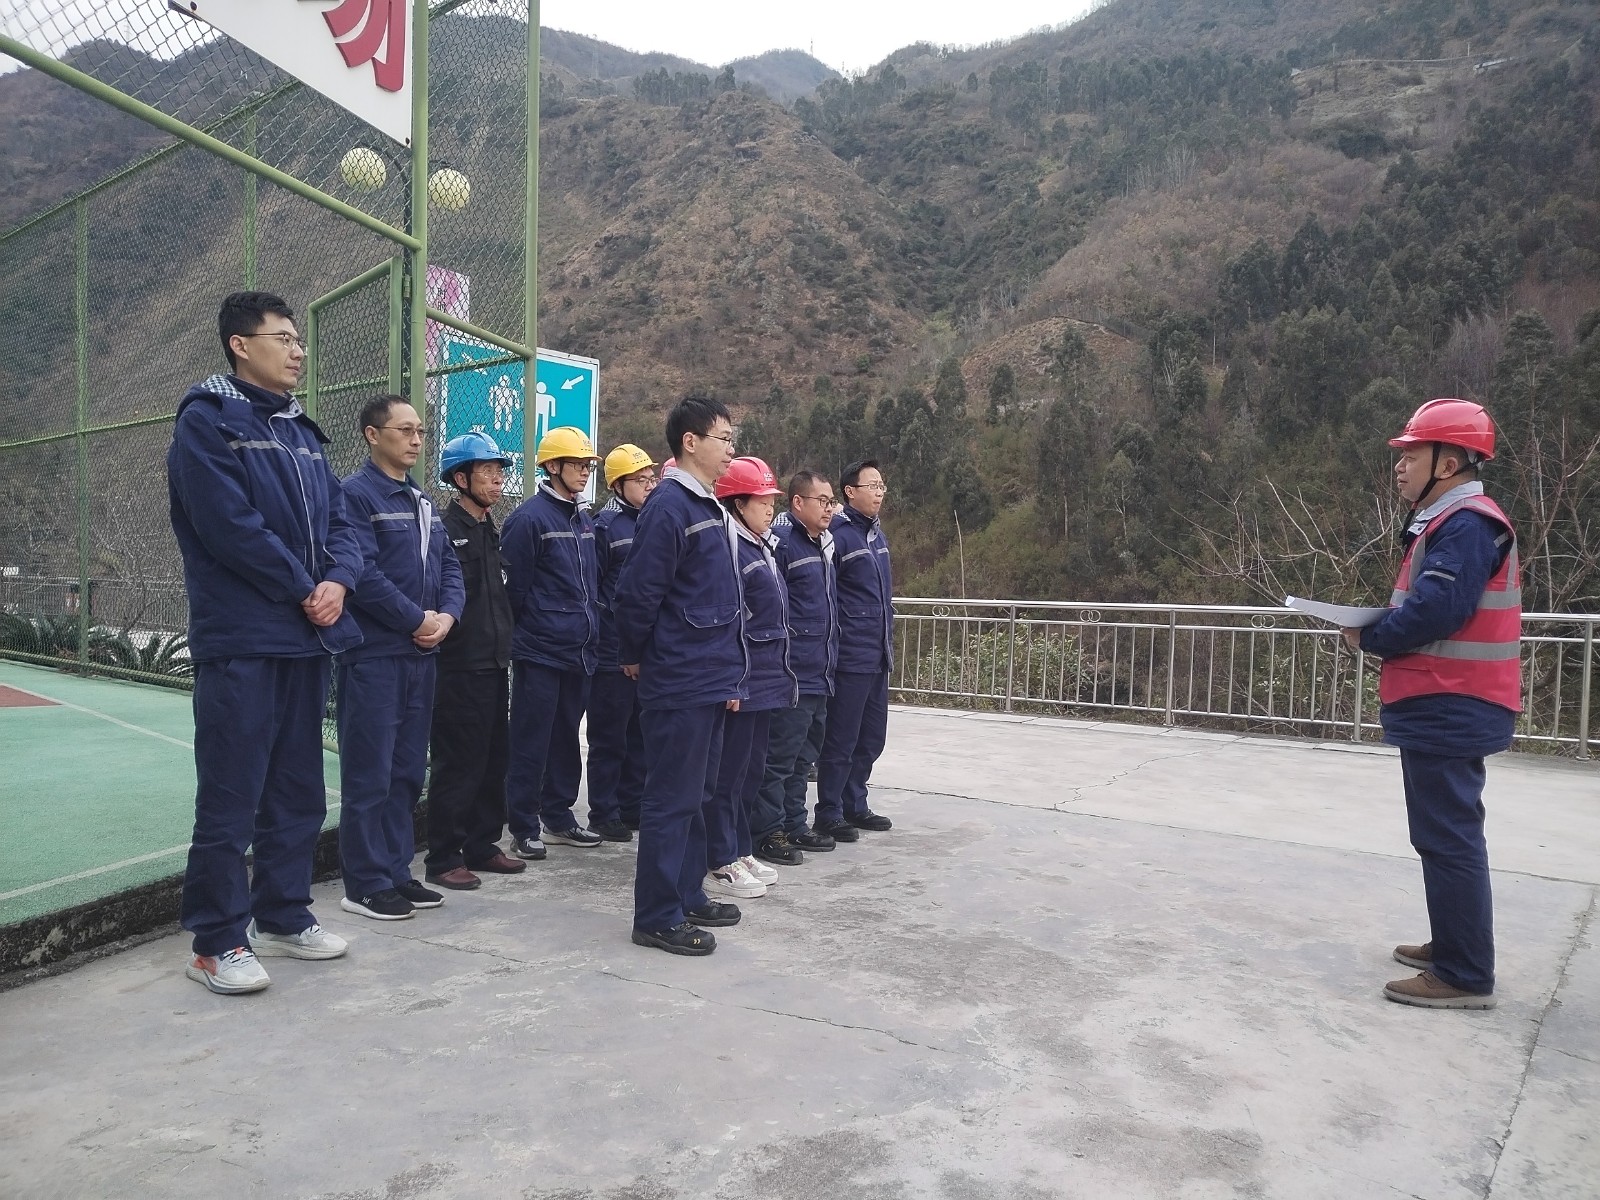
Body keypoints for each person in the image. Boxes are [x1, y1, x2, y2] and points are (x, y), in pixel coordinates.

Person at [167, 291, 359, 993]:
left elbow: (342, 523)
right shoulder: (207, 421)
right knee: (232, 792)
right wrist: (306, 586)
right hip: (243, 638)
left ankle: (283, 915)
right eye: (283, 338)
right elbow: (228, 526)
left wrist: (338, 580)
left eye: (298, 338)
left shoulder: (302, 432)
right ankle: (217, 940)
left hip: (305, 637)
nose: (298, 350)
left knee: (298, 789)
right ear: (241, 345)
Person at [1342, 398, 1521, 1010]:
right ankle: (1453, 944)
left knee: (1447, 836)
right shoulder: (1450, 522)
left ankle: (1464, 973)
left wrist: (1370, 636)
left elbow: (1437, 610)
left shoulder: (1466, 524)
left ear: (1449, 464)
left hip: (1452, 700)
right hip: (1446, 699)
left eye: (1411, 455)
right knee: (1441, 834)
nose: (1399, 466)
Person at [613, 396, 746, 955]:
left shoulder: (707, 505)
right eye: (723, 438)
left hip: (709, 674)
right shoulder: (670, 507)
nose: (730, 449)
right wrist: (636, 654)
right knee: (671, 798)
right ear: (690, 442)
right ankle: (656, 915)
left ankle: (688, 892)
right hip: (680, 676)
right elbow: (637, 594)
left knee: (698, 793)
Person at [336, 395, 465, 920]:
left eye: (420, 431)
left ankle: (395, 872)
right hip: (375, 656)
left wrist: (447, 618)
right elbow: (362, 573)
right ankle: (364, 884)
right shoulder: (354, 496)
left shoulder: (422, 501)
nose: (415, 439)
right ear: (373, 435)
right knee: (370, 774)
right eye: (404, 430)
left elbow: (450, 567)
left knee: (408, 771)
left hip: (421, 657)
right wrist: (416, 620)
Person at [423, 432, 526, 890]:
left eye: (500, 471)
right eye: (487, 471)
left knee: (492, 760)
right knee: (458, 764)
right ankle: (443, 858)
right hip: (458, 666)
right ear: (460, 478)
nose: (497, 480)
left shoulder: (489, 529)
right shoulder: (444, 531)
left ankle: (482, 846)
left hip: (494, 664)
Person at [501, 426, 603, 857]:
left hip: (579, 650)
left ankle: (559, 818)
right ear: (553, 466)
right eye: (577, 464)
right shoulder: (528, 519)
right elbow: (513, 592)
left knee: (565, 739)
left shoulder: (583, 518)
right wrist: (528, 636)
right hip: (540, 651)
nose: (584, 472)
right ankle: (524, 826)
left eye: (588, 465)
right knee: (531, 740)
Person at [704, 458, 794, 899]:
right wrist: (731, 680)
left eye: (771, 500)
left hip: (765, 676)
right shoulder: (731, 548)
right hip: (742, 677)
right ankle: (719, 859)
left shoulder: (761, 545)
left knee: (749, 772)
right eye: (762, 500)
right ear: (738, 503)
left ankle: (739, 848)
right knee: (727, 774)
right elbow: (729, 621)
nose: (770, 508)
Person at [753, 470, 841, 866]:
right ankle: (767, 831)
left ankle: (793, 823)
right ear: (798, 503)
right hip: (794, 671)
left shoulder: (823, 544)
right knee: (780, 757)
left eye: (831, 501)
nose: (829, 508)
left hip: (821, 670)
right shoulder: (784, 544)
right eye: (822, 500)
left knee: (804, 757)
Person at [814, 459, 895, 843]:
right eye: (872, 486)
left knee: (871, 737)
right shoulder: (838, 536)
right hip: (849, 656)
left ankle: (855, 803)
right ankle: (829, 811)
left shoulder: (876, 535)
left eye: (881, 486)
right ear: (850, 492)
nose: (879, 493)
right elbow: (828, 596)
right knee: (841, 739)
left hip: (877, 654)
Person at [586, 444, 658, 841]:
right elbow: (594, 589)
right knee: (609, 735)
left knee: (640, 733)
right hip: (612, 650)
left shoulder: (654, 521)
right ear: (617, 484)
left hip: (646, 648)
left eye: (651, 479)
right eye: (640, 480)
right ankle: (604, 811)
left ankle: (632, 805)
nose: (648, 485)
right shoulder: (605, 527)